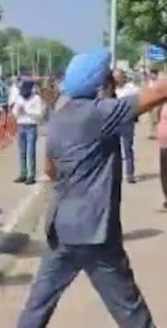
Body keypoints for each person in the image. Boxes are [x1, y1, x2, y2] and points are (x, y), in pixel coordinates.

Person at [17, 48, 166, 328]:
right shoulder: (101, 113)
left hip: (61, 228)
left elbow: (50, 170)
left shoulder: (59, 117)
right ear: (101, 85)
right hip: (94, 232)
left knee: (37, 306)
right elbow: (160, 92)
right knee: (131, 312)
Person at [12, 79, 43, 184]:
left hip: (31, 127)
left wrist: (27, 111)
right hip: (21, 126)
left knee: (30, 152)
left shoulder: (36, 99)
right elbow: (14, 112)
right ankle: (23, 173)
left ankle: (31, 175)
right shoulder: (19, 98)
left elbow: (39, 114)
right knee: (22, 152)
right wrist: (17, 111)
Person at [113, 69, 139, 184]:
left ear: (123, 77)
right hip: (114, 122)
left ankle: (130, 174)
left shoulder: (131, 89)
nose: (117, 79)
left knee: (127, 148)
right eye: (115, 77)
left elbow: (138, 101)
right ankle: (115, 174)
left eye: (118, 77)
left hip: (127, 122)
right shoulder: (111, 90)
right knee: (114, 150)